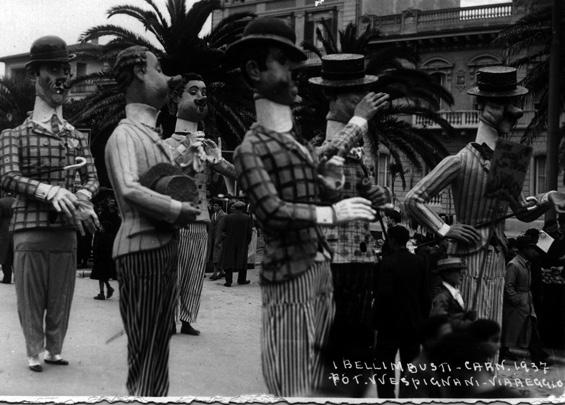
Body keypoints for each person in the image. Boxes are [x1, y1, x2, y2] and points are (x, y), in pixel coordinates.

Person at [227, 16, 381, 396]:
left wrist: (330, 185)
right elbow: (272, 211)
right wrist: (332, 211)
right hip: (289, 275)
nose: (295, 71)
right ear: (254, 70)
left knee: (321, 377)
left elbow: (317, 179)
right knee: (293, 378)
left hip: (320, 267)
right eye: (283, 60)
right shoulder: (252, 148)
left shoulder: (292, 143)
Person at [405, 66, 564, 329]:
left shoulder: (507, 160)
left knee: (491, 326)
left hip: (496, 258)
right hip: (465, 257)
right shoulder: (459, 161)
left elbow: (522, 211)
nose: (512, 111)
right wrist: (446, 228)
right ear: (481, 105)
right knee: (464, 327)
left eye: (511, 103)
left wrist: (548, 198)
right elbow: (412, 199)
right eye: (500, 104)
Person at [0, 36, 100, 372]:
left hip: (66, 230)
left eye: (65, 69)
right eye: (53, 69)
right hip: (29, 228)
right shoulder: (14, 135)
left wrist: (84, 198)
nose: (62, 77)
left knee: (61, 296)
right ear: (33, 76)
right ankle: (33, 351)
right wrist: (48, 191)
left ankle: (54, 349)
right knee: (30, 297)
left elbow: (92, 178)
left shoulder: (75, 136)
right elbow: (8, 176)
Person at [104, 45, 200, 396]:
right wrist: (175, 210)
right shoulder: (124, 135)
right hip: (140, 250)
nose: (167, 77)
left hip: (160, 248)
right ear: (140, 73)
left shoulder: (153, 137)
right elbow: (129, 187)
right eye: (158, 69)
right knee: (146, 345)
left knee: (158, 342)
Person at [307, 53, 390, 397]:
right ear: (335, 99)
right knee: (329, 342)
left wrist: (378, 194)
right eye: (356, 98)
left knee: (357, 343)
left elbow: (364, 193)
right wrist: (358, 121)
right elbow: (322, 161)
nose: (363, 105)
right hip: (330, 258)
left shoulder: (359, 148)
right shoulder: (317, 145)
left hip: (361, 258)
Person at [164, 73, 237, 336]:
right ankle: (169, 317)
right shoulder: (165, 144)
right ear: (176, 99)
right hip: (174, 219)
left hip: (201, 218)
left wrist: (217, 160)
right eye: (193, 91)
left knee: (194, 274)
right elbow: (162, 172)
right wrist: (187, 149)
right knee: (172, 272)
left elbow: (235, 174)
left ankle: (187, 318)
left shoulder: (207, 145)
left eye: (203, 91)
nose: (201, 97)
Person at [374, 225, 429, 398]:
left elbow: (382, 295)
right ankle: (408, 398)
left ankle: (386, 398)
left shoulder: (386, 263)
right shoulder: (419, 262)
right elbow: (425, 295)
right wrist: (422, 321)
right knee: (410, 367)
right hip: (412, 323)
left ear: (391, 240)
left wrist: (375, 322)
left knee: (384, 366)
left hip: (389, 324)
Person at [500, 234, 549, 364]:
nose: (534, 252)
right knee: (511, 331)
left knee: (531, 329)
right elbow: (508, 286)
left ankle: (537, 357)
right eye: (532, 249)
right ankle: (536, 358)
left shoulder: (526, 264)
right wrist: (516, 300)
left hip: (526, 301)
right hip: (518, 304)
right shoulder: (514, 265)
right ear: (524, 249)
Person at [430, 257, 476, 329]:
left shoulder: (454, 293)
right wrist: (465, 324)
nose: (462, 275)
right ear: (447, 274)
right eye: (458, 271)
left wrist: (466, 316)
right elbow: (439, 321)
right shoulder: (442, 295)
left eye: (461, 271)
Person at [90, 190, 120, 300]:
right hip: (108, 243)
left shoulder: (104, 214)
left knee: (102, 269)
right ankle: (105, 290)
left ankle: (103, 291)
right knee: (104, 269)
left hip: (105, 243)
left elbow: (99, 227)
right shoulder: (115, 214)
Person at [218, 201, 253, 286]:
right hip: (242, 242)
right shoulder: (247, 218)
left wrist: (223, 239)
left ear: (235, 208)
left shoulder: (227, 217)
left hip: (229, 242)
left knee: (229, 260)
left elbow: (222, 230)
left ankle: (228, 281)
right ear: (242, 208)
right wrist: (247, 242)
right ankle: (241, 280)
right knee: (242, 260)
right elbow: (249, 232)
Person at [208, 199, 227, 280]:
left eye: (216, 205)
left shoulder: (224, 215)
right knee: (216, 255)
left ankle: (215, 273)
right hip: (213, 238)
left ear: (220, 206)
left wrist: (223, 236)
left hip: (221, 239)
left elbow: (226, 228)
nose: (214, 207)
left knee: (218, 256)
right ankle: (222, 272)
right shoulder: (213, 215)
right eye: (214, 205)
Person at [0, 196, 15, 284]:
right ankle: (17, 278)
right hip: (16, 227)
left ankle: (7, 277)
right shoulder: (17, 201)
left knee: (5, 255)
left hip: (4, 230)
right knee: (14, 254)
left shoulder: (1, 202)